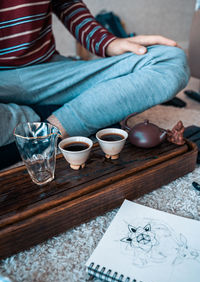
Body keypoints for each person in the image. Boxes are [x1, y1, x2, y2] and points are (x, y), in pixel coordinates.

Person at [0, 0, 189, 168]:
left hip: (49, 72)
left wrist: (108, 43)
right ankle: (74, 115)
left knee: (170, 60)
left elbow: (65, 3)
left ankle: (46, 132)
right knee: (108, 111)